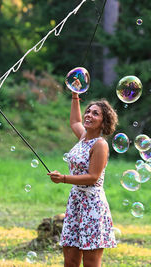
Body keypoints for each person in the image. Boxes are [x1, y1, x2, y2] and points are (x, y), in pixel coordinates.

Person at [47, 92, 118, 267]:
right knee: (70, 260)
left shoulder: (100, 144)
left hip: (92, 206)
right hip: (76, 202)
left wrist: (63, 178)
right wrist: (75, 96)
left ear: (104, 121)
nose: (89, 115)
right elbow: (74, 122)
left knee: (91, 262)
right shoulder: (83, 137)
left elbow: (93, 177)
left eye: (95, 113)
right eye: (88, 111)